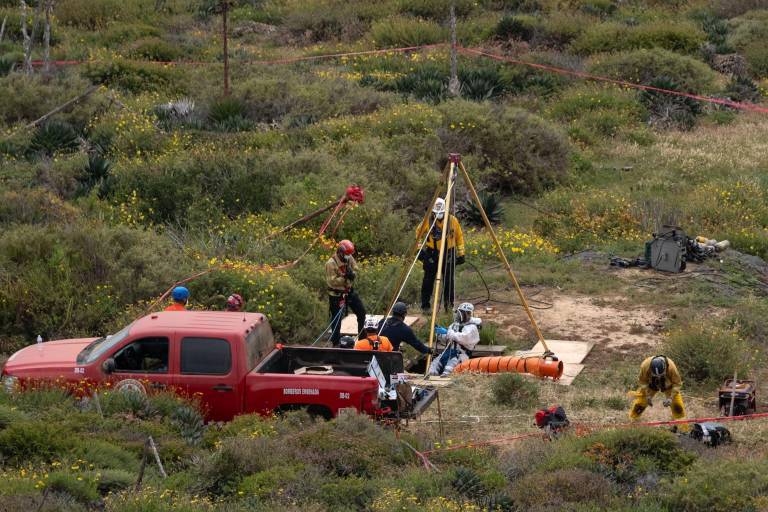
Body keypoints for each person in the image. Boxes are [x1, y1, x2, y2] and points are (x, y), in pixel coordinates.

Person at [416, 197, 465, 313]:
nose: (439, 215)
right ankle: (425, 306)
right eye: (437, 213)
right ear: (433, 211)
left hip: (448, 253)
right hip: (432, 253)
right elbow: (418, 234)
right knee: (428, 281)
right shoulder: (427, 221)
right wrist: (419, 250)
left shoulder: (453, 221)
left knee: (448, 281)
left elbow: (459, 237)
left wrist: (461, 253)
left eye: (442, 213)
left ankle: (449, 306)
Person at [629, 355, 688, 432]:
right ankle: (632, 424)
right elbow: (642, 381)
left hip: (669, 386)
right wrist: (647, 395)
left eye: (661, 375)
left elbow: (677, 383)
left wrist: (670, 398)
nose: (659, 377)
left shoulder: (671, 367)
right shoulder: (645, 366)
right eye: (656, 375)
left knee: (678, 407)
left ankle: (682, 430)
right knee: (639, 404)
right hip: (651, 385)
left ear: (665, 368)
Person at [325, 239, 366, 347]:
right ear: (340, 252)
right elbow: (332, 281)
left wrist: (352, 274)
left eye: (349, 254)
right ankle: (335, 342)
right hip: (337, 295)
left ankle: (362, 338)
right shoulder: (331, 263)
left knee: (361, 312)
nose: (349, 257)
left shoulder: (349, 257)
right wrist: (345, 277)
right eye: (347, 254)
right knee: (336, 319)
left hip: (349, 292)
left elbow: (356, 268)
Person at [429, 303, 480, 376]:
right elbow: (447, 340)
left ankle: (445, 381)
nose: (461, 315)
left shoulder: (472, 328)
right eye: (460, 312)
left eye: (464, 313)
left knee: (449, 370)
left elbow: (463, 338)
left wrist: (447, 332)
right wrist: (440, 334)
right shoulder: (454, 325)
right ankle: (431, 380)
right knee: (434, 366)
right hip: (447, 353)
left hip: (460, 355)